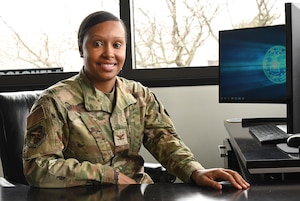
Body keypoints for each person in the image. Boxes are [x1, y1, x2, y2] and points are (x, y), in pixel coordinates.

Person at [22, 11, 250, 190]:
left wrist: (195, 171)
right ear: (81, 47)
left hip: (138, 192)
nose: (109, 53)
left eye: (117, 45)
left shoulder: (139, 95)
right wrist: (109, 177)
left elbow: (166, 142)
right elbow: (38, 167)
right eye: (98, 43)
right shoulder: (54, 101)